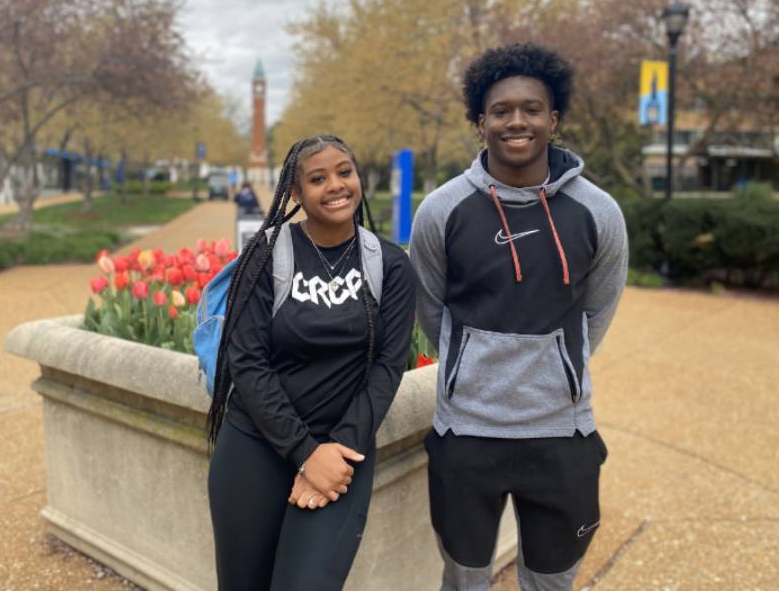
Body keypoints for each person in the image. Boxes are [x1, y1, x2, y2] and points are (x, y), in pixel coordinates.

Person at [410, 43, 628, 590]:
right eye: (501, 110)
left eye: (531, 109)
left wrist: (557, 364)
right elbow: (429, 303)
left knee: (552, 581)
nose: (517, 121)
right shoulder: (442, 210)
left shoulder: (598, 212)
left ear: (554, 120)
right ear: (480, 121)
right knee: (464, 578)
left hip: (561, 431)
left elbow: (598, 307)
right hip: (466, 431)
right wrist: (470, 363)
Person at [207, 135, 417, 591]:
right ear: (297, 194)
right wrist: (304, 453)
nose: (336, 185)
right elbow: (248, 363)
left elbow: (388, 367)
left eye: (345, 172)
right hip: (253, 448)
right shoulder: (265, 255)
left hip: (341, 453)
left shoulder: (391, 266)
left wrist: (332, 452)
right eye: (318, 178)